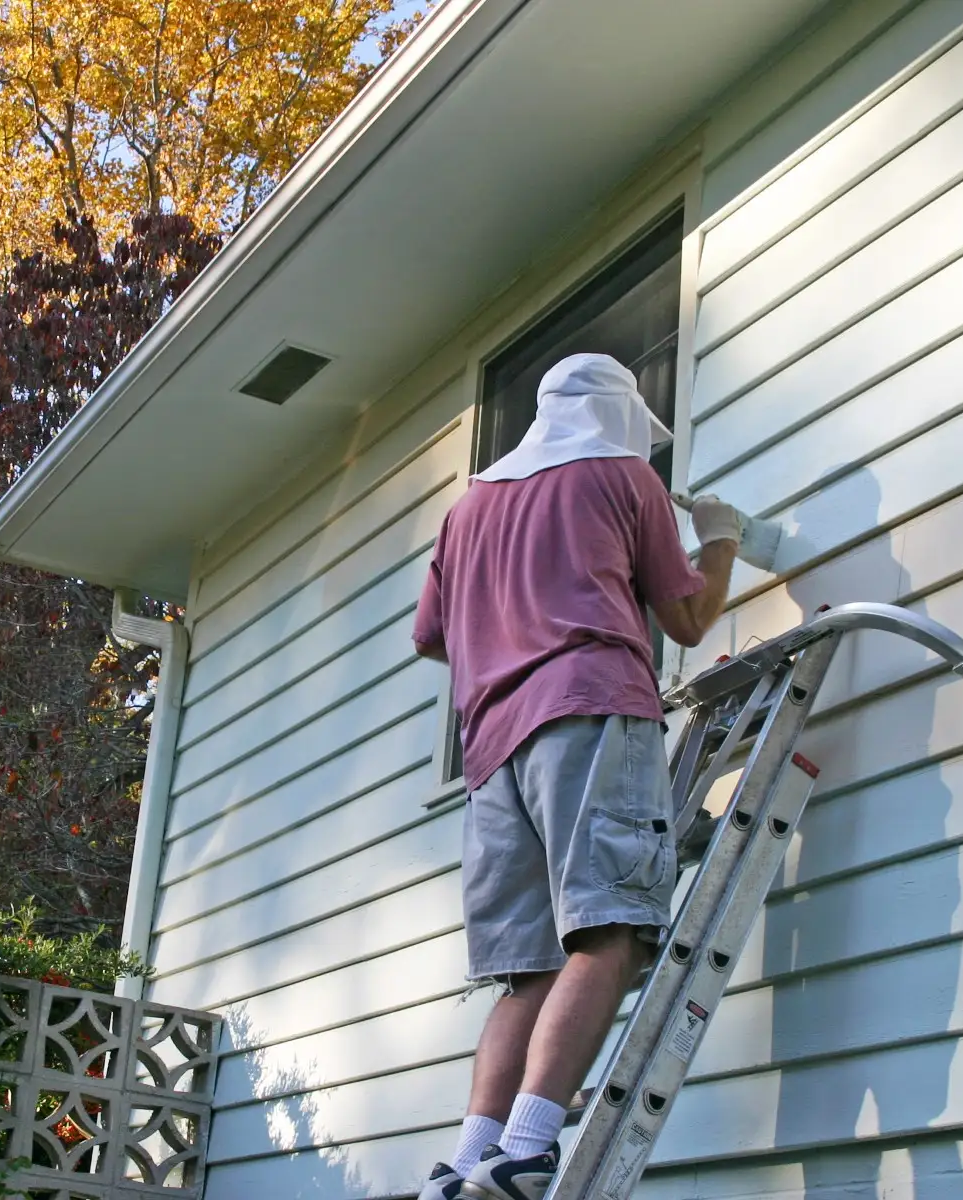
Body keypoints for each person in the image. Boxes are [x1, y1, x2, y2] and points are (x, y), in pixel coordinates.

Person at [410, 353, 749, 1200]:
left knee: (529, 971)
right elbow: (689, 617)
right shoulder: (621, 474)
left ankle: (468, 1163)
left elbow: (435, 637)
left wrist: (516, 621)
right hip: (591, 712)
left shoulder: (468, 510)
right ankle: (526, 1150)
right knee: (610, 933)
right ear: (620, 416)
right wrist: (722, 538)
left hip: (492, 753)